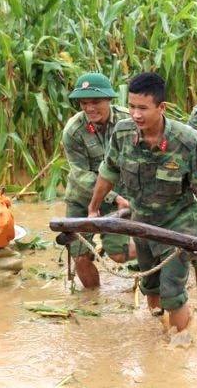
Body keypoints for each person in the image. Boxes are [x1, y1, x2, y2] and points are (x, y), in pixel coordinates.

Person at [87, 72, 197, 332]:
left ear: (161, 108)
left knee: (172, 290)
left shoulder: (186, 141)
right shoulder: (123, 133)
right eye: (131, 106)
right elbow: (108, 171)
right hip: (142, 222)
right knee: (150, 285)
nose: (136, 114)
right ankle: (158, 339)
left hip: (178, 222)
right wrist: (93, 208)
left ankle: (181, 347)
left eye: (143, 108)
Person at [62, 72, 135, 288]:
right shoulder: (74, 131)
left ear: (109, 99)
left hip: (122, 198)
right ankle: (93, 302)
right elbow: (81, 175)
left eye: (96, 102)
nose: (90, 108)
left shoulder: (128, 122)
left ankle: (153, 251)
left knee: (118, 255)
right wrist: (114, 198)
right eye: (84, 103)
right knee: (81, 256)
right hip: (83, 198)